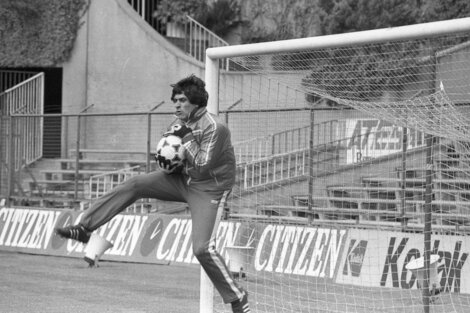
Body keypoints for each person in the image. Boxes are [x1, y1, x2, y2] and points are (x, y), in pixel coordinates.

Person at [55, 75, 251, 313]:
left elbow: (201, 165)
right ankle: (85, 227)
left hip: (209, 187)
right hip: (182, 179)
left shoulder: (215, 128)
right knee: (136, 184)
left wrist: (185, 137)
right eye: (175, 101)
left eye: (182, 100)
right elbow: (169, 158)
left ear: (196, 102)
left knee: (202, 249)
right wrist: (168, 158)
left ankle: (237, 296)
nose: (176, 105)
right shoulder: (177, 123)